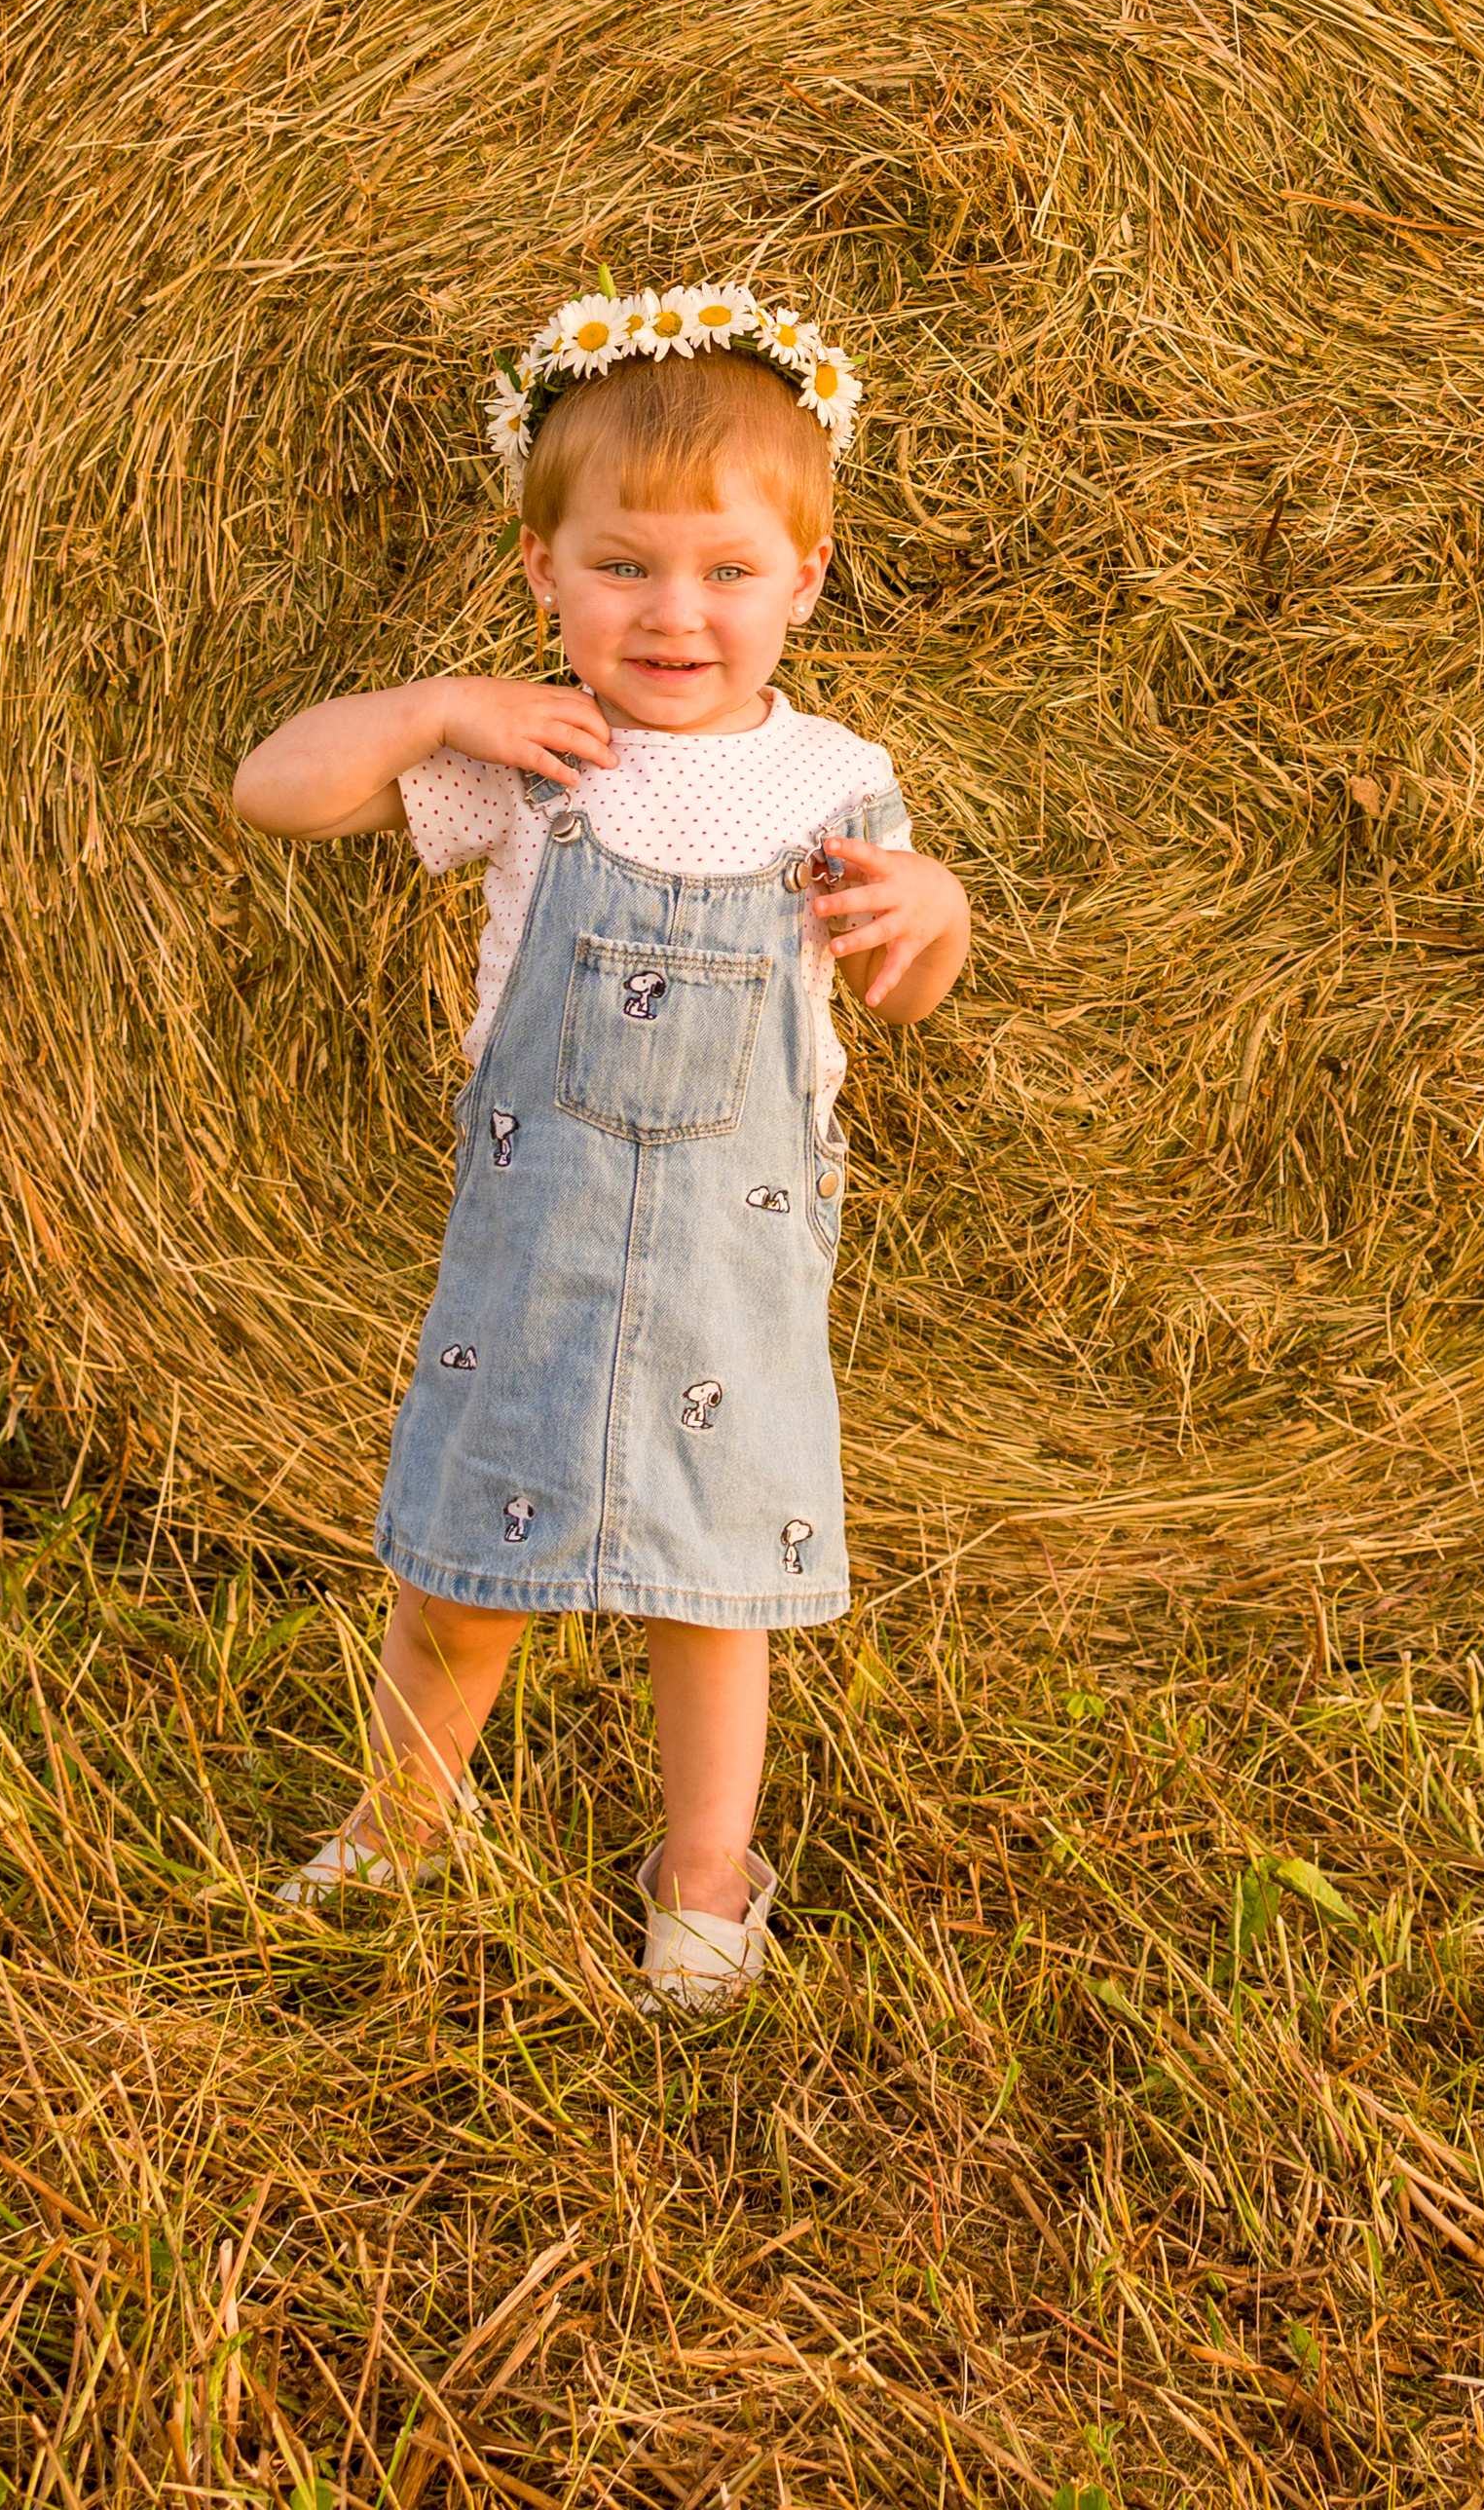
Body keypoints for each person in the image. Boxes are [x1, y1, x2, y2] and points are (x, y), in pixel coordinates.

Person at [231, 278, 969, 2010]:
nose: (674, 613)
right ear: (544, 572)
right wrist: (431, 711)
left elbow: (912, 992)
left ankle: (706, 1874)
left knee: (713, 1591)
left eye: (725, 572)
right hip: (537, 1240)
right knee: (457, 1577)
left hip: (738, 1253)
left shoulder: (834, 777)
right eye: (623, 566)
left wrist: (932, 904)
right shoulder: (534, 749)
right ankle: (404, 1816)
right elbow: (274, 788)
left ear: (808, 576)